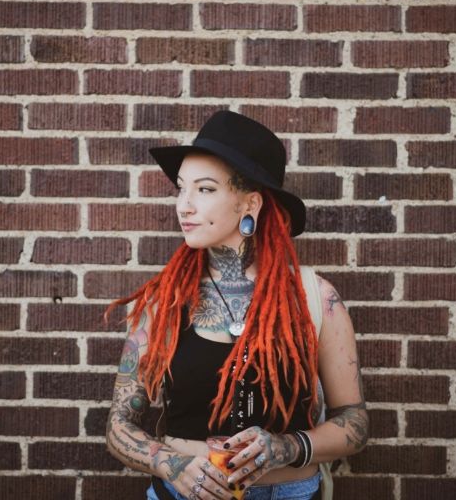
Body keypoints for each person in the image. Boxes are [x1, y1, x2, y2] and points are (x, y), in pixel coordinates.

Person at [105, 111, 368, 500]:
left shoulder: (316, 298)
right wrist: (169, 464)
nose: (185, 205)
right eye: (181, 188)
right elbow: (118, 425)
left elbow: (355, 423)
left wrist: (286, 447)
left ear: (251, 204)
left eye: (205, 189)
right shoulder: (165, 301)